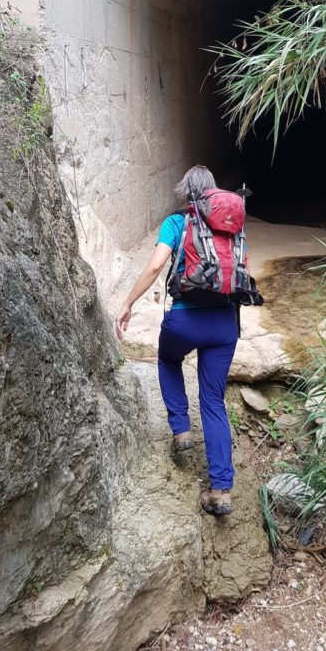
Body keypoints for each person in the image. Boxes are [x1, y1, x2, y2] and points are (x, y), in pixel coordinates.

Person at [115, 165, 239, 516]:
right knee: (213, 401)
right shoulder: (230, 225)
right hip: (225, 323)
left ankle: (181, 430)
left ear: (185, 193)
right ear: (214, 195)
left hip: (185, 319)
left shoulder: (176, 223)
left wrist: (127, 303)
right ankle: (220, 491)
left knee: (168, 359)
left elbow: (155, 267)